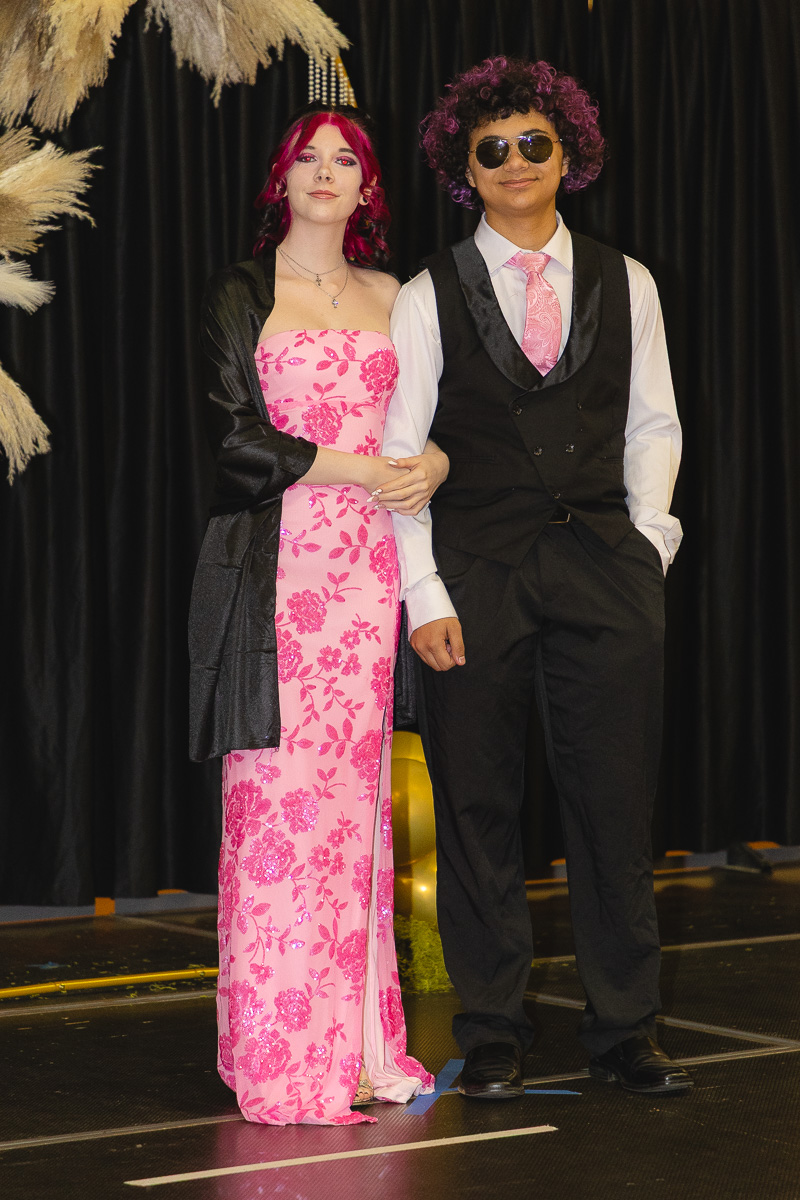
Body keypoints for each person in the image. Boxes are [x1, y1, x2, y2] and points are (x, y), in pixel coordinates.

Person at [384, 57, 692, 1098]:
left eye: (534, 143)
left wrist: (648, 540)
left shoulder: (626, 280)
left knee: (614, 804)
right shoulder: (426, 294)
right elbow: (399, 452)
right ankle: (493, 1034)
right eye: (492, 148)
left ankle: (625, 1031)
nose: (515, 161)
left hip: (605, 571)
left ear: (569, 154)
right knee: (477, 808)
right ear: (463, 168)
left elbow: (653, 422)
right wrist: (423, 593)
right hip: (474, 578)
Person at [188, 104, 443, 1125]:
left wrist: (431, 463)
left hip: (369, 575)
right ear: (281, 178)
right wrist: (367, 470)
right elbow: (234, 444)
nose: (326, 173)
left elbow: (442, 422)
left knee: (352, 814)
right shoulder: (242, 291)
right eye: (309, 158)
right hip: (277, 570)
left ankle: (357, 1046)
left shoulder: (397, 294)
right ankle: (280, 1050)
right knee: (276, 807)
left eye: (346, 159)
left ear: (368, 184)